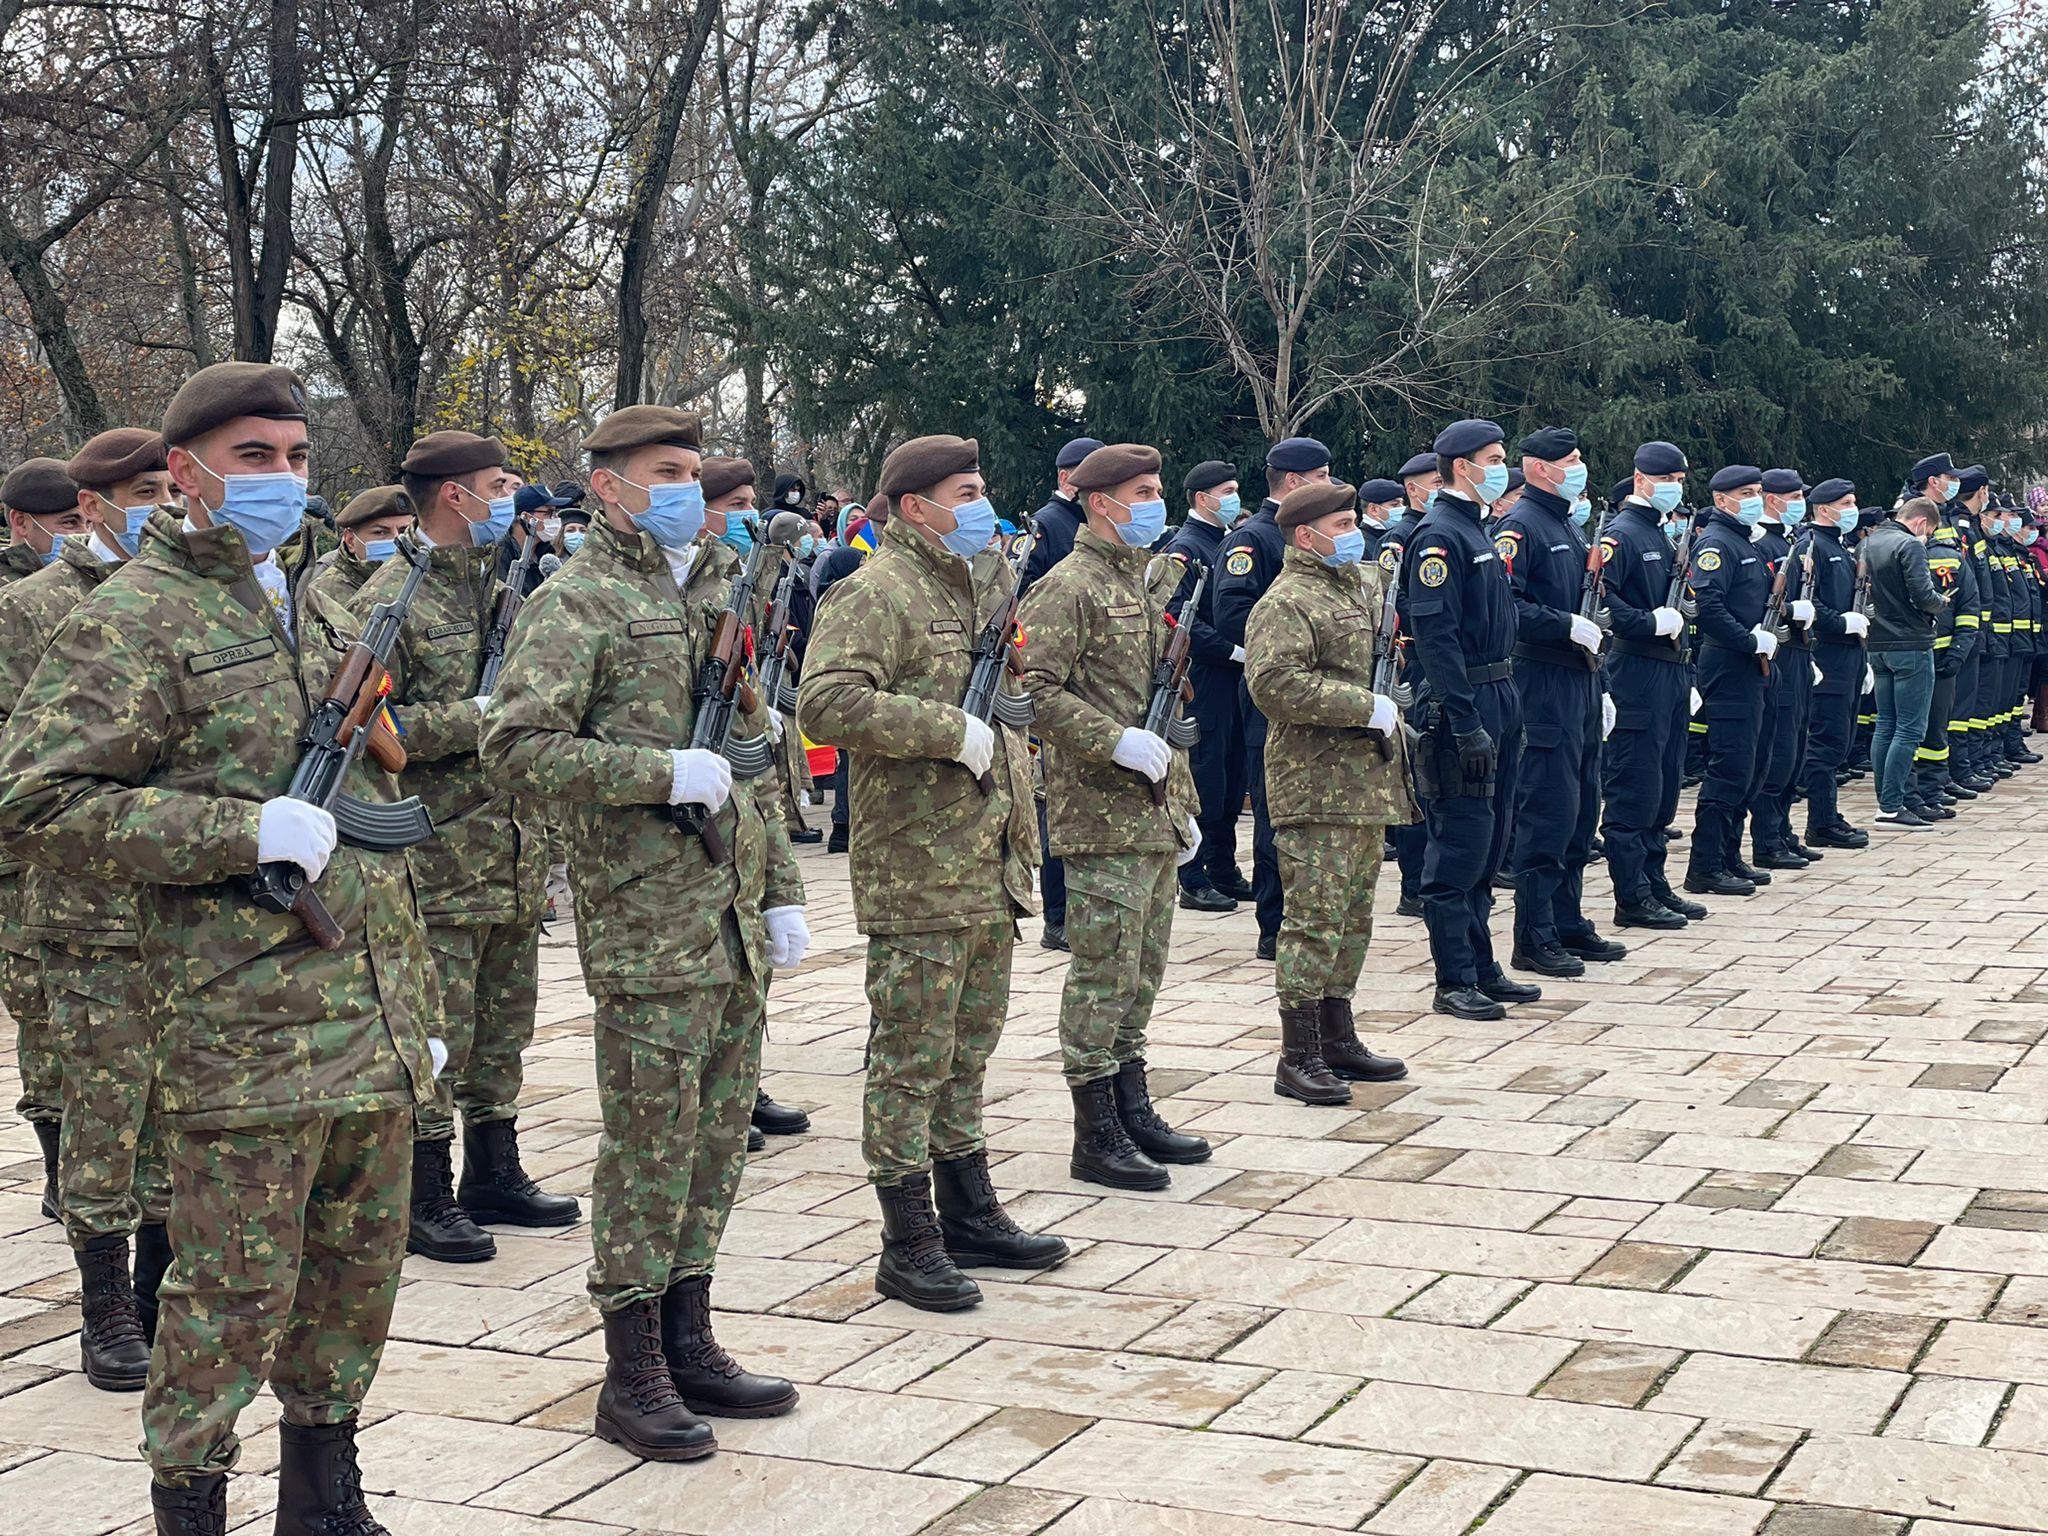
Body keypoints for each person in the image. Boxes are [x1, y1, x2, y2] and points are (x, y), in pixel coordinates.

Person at [0, 362, 440, 1534]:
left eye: (298, 458)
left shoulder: (320, 605)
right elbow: (35, 802)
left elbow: (375, 827)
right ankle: (189, 1504)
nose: (282, 480)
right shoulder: (134, 619)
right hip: (237, 1027)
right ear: (184, 472)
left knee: (353, 1279)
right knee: (230, 1294)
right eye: (255, 457)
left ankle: (322, 1497)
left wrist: (417, 997)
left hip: (369, 1012)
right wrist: (233, 830)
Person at [481, 404, 806, 1461]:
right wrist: (654, 773)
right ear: (608, 482)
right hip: (649, 921)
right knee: (649, 1149)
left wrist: (783, 887)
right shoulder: (578, 601)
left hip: (727, 916)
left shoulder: (712, 586)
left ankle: (688, 1334)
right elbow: (517, 748)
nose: (685, 488)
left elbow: (750, 757)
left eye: (691, 470)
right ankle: (630, 1372)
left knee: (715, 1143)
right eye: (664, 471)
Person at [799, 434, 1067, 1310]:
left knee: (970, 1044)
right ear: (917, 506)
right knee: (911, 1054)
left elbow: (1009, 684)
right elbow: (826, 702)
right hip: (915, 860)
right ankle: (906, 1237)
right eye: (969, 489)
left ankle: (968, 1206)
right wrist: (945, 729)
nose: (984, 503)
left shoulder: (984, 579)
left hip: (987, 854)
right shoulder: (873, 592)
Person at [356, 430, 580, 1265]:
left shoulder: (502, 585)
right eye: (498, 483)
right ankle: (424, 1192)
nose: (510, 496)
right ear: (456, 494)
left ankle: (495, 1169)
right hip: (438, 857)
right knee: (434, 1036)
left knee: (502, 1029)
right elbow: (371, 730)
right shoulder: (389, 598)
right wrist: (475, 719)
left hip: (512, 848)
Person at [0, 430, 169, 1392]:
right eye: (141, 493)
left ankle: (158, 1291)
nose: (162, 508)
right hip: (80, 898)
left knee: (176, 1111)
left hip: (186, 901)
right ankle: (106, 1311)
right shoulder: (29, 611)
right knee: (105, 1111)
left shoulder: (193, 598)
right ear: (94, 501)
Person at [1019, 442, 1210, 1190]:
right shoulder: (1068, 587)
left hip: (1152, 810)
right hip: (1098, 810)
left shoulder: (1135, 583)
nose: (1155, 503)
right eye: (1145, 491)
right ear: (1102, 502)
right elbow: (1034, 688)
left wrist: (1182, 802)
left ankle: (1132, 1105)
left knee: (1143, 969)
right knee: (1102, 972)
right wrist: (1112, 740)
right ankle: (1093, 1130)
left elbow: (1162, 705)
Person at [1244, 479, 1413, 1104]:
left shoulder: (1357, 588)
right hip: (1313, 783)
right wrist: (1360, 705)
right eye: (1342, 526)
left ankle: (1338, 1034)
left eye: (1352, 523)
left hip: (1362, 782)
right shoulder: (1288, 601)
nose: (1355, 534)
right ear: (1306, 536)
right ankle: (1299, 1054)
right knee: (1313, 919)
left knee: (1352, 916)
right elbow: (1272, 685)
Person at [1400, 420, 1537, 1021]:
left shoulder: (1475, 529)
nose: (1502, 468)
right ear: (1460, 465)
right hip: (1465, 704)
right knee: (1458, 846)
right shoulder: (1439, 536)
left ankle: (1481, 965)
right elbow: (1436, 637)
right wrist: (1462, 720)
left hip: (1499, 694)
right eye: (1494, 458)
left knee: (1491, 841)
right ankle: (1452, 977)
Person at [1492, 428, 1622, 977]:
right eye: (1570, 460)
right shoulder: (1519, 526)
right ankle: (1534, 934)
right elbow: (1507, 607)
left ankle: (1567, 921)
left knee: (1579, 810)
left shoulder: (1567, 522)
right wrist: (1564, 624)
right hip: (1542, 682)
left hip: (1580, 683)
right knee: (1547, 812)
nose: (1580, 467)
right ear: (1541, 469)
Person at [0, 456, 88, 1219]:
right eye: (64, 527)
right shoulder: (16, 606)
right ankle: (61, 1169)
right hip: (20, 851)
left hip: (90, 839)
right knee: (41, 1008)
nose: (79, 536)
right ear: (20, 525)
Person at [1215, 437, 1332, 960]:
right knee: (1275, 810)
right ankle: (1274, 922)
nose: (1329, 485)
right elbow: (1232, 614)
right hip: (1275, 697)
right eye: (1322, 476)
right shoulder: (1256, 540)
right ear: (1293, 482)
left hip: (1322, 698)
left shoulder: (1312, 539)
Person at [1599, 444, 1706, 929]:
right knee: (1636, 784)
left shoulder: (1662, 535)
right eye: (1667, 479)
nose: (1675, 488)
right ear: (1641, 479)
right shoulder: (1619, 536)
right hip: (1637, 669)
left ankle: (1654, 881)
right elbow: (1601, 604)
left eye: (1680, 480)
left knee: (1663, 783)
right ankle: (1631, 895)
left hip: (1669, 670)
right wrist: (1647, 621)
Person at [1019, 436, 1102, 951]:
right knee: (1054, 801)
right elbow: (1026, 597)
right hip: (1058, 674)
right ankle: (1057, 916)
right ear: (1069, 478)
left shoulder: (1089, 525)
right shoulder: (1049, 525)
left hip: (1092, 680)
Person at [1683, 466, 1779, 895]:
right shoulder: (1717, 542)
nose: (1756, 498)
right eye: (1746, 492)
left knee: (1750, 768)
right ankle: (1704, 865)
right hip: (1728, 663)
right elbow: (1709, 606)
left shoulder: (1744, 540)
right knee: (1730, 766)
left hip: (1749, 663)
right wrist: (1747, 640)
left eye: (1758, 491)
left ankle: (1728, 855)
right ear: (1722, 500)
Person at [1162, 459, 1251, 910]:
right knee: (1205, 775)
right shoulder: (1186, 547)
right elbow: (1179, 617)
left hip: (1233, 677)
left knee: (1233, 775)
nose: (1235, 497)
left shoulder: (1228, 541)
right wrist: (1232, 651)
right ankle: (1192, 874)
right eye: (1228, 490)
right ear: (1203, 499)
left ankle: (1222, 865)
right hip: (1206, 676)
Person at [1745, 469, 1818, 868]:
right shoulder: (1761, 543)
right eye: (1791, 496)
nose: (1797, 503)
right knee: (1778, 752)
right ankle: (1767, 838)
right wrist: (1792, 610)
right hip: (1777, 655)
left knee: (1795, 752)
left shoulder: (1791, 541)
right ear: (1772, 500)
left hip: (1799, 655)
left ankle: (1784, 830)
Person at [1381, 451, 1441, 919]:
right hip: (1414, 665)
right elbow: (1390, 600)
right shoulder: (1399, 539)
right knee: (1418, 776)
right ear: (1413, 490)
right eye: (1432, 482)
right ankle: (1414, 883)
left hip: (1440, 666)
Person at [1863, 496, 1948, 827]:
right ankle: (1892, 804)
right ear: (1921, 523)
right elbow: (1923, 595)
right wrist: (1942, 602)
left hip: (1877, 642)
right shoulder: (1910, 545)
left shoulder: (1868, 543)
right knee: (1911, 727)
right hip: (1910, 643)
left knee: (1885, 723)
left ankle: (1886, 801)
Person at [1799, 479, 1872, 849]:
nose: (1852, 508)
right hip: (1826, 654)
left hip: (1848, 656)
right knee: (1825, 742)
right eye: (1846, 503)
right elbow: (1807, 605)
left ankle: (1827, 815)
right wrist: (1842, 623)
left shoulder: (1839, 548)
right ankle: (1821, 821)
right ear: (1824, 509)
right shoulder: (1811, 546)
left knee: (1839, 741)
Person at [296, 483, 414, 630]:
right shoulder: (321, 598)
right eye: (380, 532)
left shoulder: (423, 580)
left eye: (404, 531)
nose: (397, 540)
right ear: (351, 540)